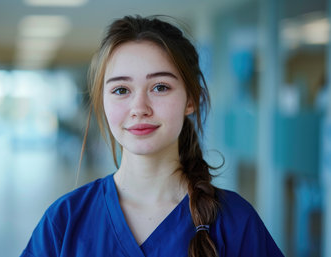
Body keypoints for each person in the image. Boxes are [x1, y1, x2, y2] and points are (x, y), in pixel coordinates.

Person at [20, 15, 284, 257]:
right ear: (102, 102)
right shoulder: (64, 221)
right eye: (121, 90)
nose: (139, 108)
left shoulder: (235, 221)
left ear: (191, 100)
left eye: (160, 87)